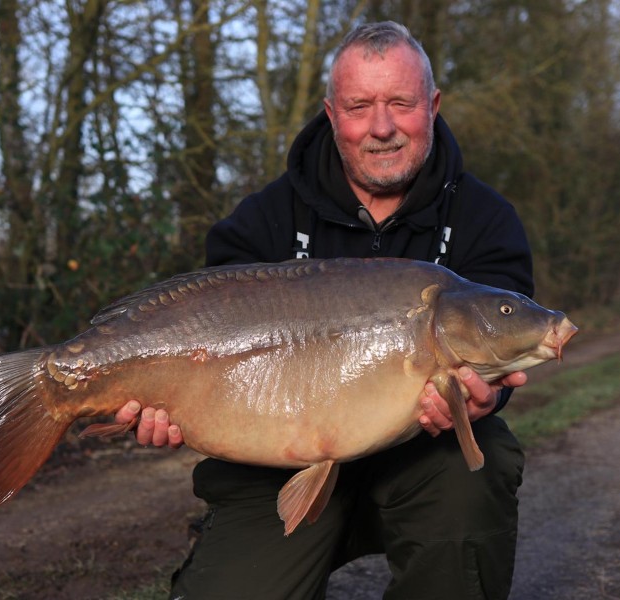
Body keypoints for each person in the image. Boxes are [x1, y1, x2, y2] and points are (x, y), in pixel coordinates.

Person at [116, 21, 532, 599]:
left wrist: (489, 396)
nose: (381, 127)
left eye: (401, 104)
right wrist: (159, 403)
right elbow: (200, 355)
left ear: (432, 106)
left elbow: (501, 340)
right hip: (275, 474)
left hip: (423, 466)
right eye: (360, 106)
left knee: (472, 475)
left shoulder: (486, 220)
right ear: (332, 113)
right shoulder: (260, 223)